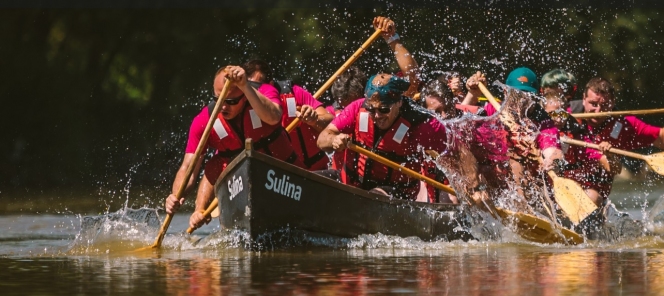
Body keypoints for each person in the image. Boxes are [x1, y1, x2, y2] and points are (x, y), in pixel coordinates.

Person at [165, 65, 303, 231]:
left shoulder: (264, 91)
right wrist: (175, 196)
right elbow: (188, 167)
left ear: (244, 96)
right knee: (216, 163)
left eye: (231, 101)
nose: (223, 107)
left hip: (286, 180)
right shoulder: (204, 121)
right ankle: (199, 211)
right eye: (218, 100)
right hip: (239, 184)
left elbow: (274, 117)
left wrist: (245, 86)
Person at [317, 73, 489, 205]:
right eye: (371, 109)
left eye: (383, 109)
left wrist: (476, 188)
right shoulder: (357, 108)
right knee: (309, 180)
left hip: (395, 193)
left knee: (373, 198)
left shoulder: (422, 124)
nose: (376, 116)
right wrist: (333, 140)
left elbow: (460, 152)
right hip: (352, 183)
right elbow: (322, 138)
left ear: (398, 103)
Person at [562, 77, 664, 207]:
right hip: (560, 185)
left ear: (612, 103)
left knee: (592, 198)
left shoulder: (625, 125)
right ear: (584, 99)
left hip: (593, 197)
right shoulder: (564, 116)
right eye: (593, 104)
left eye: (604, 106)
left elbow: (660, 137)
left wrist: (609, 156)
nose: (598, 111)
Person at [243, 59, 334, 171]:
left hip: (314, 172)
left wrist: (314, 120)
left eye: (257, 88)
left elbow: (331, 123)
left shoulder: (294, 93)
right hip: (274, 178)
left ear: (270, 85)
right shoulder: (240, 108)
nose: (253, 95)